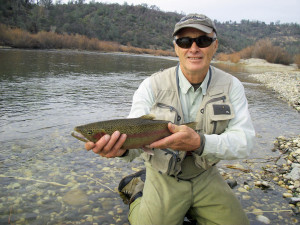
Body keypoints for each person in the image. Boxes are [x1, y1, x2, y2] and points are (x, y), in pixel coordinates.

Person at [85, 13, 255, 225]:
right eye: (184, 41)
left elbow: (245, 142)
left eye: (202, 41)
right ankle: (139, 191)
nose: (193, 48)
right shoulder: (151, 86)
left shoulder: (232, 86)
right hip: (162, 175)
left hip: (205, 175)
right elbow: (133, 133)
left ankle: (192, 207)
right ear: (176, 47)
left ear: (214, 46)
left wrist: (201, 143)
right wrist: (122, 150)